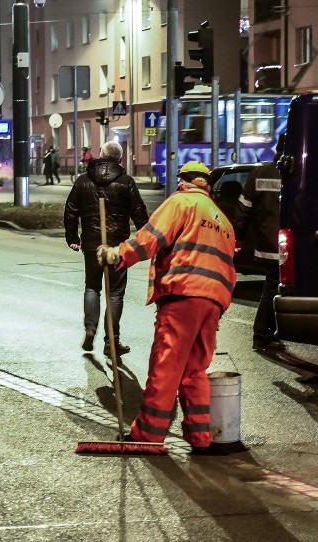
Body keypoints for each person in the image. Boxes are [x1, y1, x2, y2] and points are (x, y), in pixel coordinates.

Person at [97, 161, 236, 451]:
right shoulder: (222, 220)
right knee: (194, 371)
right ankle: (200, 438)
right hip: (214, 301)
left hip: (184, 294)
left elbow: (149, 239)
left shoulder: (181, 203)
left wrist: (115, 255)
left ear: (182, 182)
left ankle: (148, 434)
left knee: (166, 365)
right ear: (206, 185)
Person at [64, 141, 148, 356]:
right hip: (118, 246)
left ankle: (90, 328)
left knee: (92, 287)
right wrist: (144, 238)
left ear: (100, 155)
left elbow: (70, 211)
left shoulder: (83, 180)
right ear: (120, 159)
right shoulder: (126, 182)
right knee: (116, 293)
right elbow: (139, 212)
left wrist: (73, 237)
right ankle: (112, 341)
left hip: (92, 244)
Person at [233, 150, 284, 352]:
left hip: (266, 243)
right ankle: (262, 335)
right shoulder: (296, 171)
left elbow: (244, 208)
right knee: (274, 289)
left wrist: (239, 235)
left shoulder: (259, 173)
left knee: (272, 288)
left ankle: (266, 333)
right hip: (287, 245)